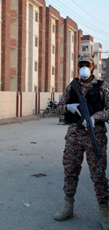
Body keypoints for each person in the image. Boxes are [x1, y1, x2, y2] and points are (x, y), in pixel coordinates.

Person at [55, 53, 109, 229]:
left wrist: (95, 117)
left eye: (87, 64)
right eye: (81, 64)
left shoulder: (102, 86)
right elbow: (59, 108)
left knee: (98, 174)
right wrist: (68, 107)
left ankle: (104, 212)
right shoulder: (72, 87)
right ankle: (68, 207)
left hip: (96, 136)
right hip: (74, 135)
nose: (84, 67)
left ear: (93, 67)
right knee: (70, 170)